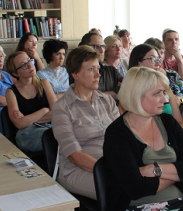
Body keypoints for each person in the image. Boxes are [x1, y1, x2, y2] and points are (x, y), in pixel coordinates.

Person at [103, 67, 183, 211]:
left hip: (182, 201)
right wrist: (178, 175)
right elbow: (135, 188)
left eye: (164, 92)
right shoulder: (116, 133)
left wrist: (154, 169)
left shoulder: (168, 122)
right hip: (138, 206)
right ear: (137, 96)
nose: (165, 99)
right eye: (157, 94)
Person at [52, 45, 120, 200]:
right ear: (75, 73)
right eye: (91, 70)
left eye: (98, 68)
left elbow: (122, 138)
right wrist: (109, 169)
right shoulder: (62, 108)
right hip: (79, 170)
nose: (98, 75)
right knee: (119, 188)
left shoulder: (107, 100)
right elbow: (74, 156)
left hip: (114, 164)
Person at [5, 51, 56, 152]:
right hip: (26, 134)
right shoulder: (11, 92)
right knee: (55, 137)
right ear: (15, 73)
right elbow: (19, 124)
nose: (30, 66)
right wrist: (45, 110)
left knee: (62, 133)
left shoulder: (44, 83)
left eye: (29, 61)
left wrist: (28, 120)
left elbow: (57, 112)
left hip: (49, 128)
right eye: (23, 65)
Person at [129, 44, 183, 130]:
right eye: (153, 59)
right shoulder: (130, 90)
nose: (158, 63)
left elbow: (181, 124)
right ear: (139, 62)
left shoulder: (165, 87)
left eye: (159, 59)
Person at [79, 32, 122, 99]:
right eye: (97, 46)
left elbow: (127, 88)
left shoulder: (111, 70)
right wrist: (114, 93)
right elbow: (86, 97)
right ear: (84, 47)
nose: (102, 50)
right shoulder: (79, 72)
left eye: (103, 46)